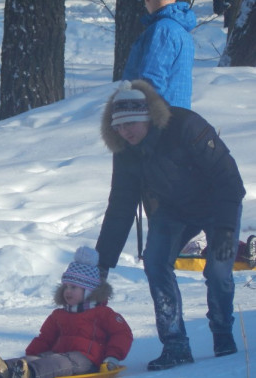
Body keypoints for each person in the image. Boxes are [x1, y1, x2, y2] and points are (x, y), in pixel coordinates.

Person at [95, 80, 245, 371]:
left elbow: (228, 178)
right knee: (155, 262)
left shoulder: (186, 126)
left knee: (217, 270)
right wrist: (102, 262)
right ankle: (175, 344)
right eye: (120, 127)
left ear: (148, 116)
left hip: (217, 203)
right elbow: (121, 206)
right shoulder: (126, 149)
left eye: (132, 124)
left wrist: (226, 229)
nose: (126, 132)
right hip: (170, 210)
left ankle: (222, 331)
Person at [0, 247, 133, 378]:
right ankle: (6, 369)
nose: (68, 291)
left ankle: (29, 373)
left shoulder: (103, 313)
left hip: (87, 359)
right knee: (40, 359)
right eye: (66, 287)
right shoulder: (59, 315)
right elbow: (45, 338)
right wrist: (31, 354)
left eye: (74, 288)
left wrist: (112, 357)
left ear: (89, 291)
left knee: (58, 363)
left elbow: (122, 334)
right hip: (59, 353)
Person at [122, 0, 196, 109]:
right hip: (176, 115)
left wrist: (139, 115)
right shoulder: (179, 29)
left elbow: (151, 82)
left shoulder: (163, 29)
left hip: (157, 118)